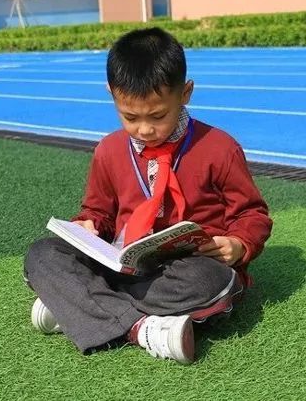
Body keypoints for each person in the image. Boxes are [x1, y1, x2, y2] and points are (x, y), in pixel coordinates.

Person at [24, 27, 273, 364]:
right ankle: (142, 328)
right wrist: (88, 225)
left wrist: (239, 244)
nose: (144, 128)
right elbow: (98, 211)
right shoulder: (109, 150)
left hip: (189, 269)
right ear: (111, 94)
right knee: (42, 254)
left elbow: (252, 214)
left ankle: (79, 302)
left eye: (158, 116)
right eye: (130, 116)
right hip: (125, 266)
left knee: (210, 281)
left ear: (185, 93)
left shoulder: (219, 148)